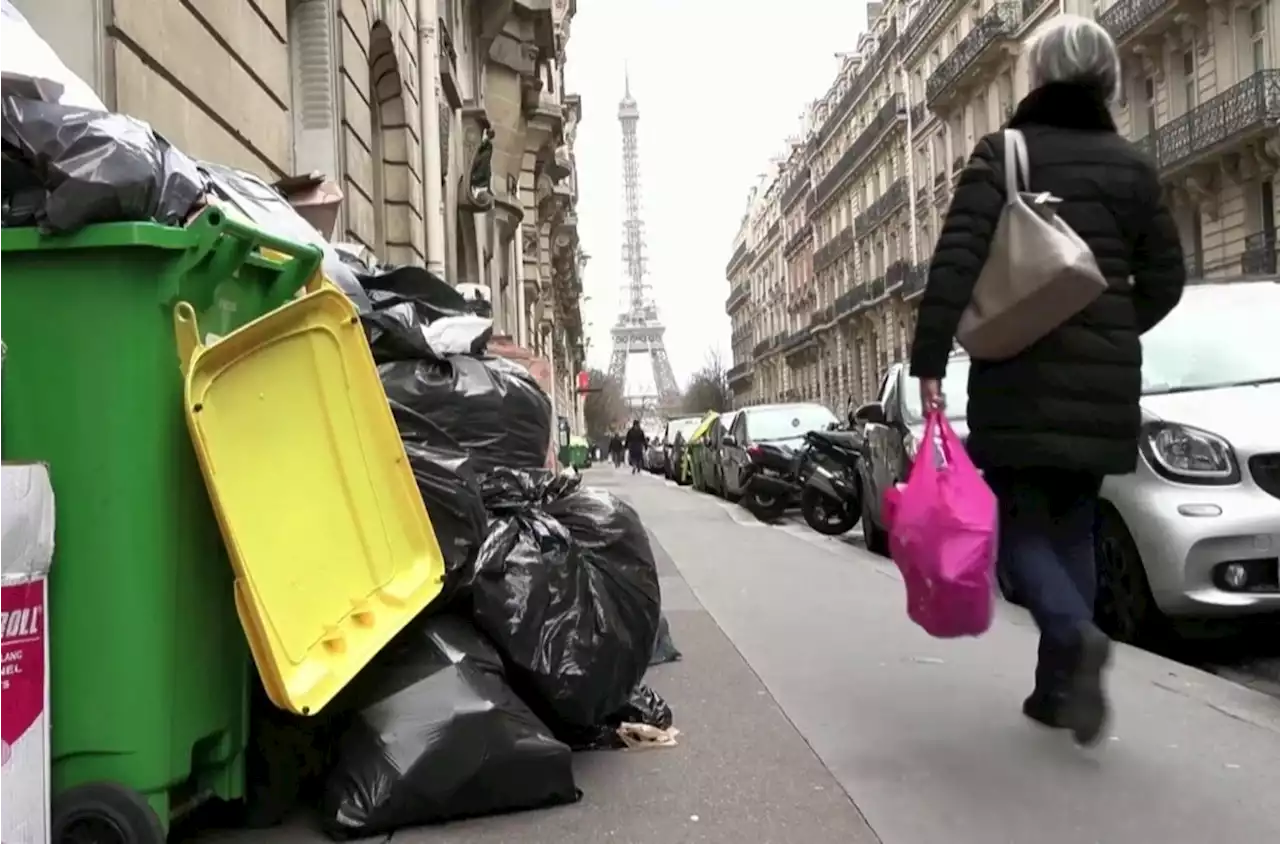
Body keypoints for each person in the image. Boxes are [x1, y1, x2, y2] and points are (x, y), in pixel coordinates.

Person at [907, 16, 1185, 746]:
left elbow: (957, 262)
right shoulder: (1133, 167)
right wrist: (1113, 329)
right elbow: (1166, 278)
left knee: (1022, 530)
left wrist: (930, 360)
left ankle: (1073, 635)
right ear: (1106, 78)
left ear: (1037, 75)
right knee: (1075, 531)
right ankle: (1056, 690)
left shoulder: (1005, 154)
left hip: (1018, 376)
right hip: (1105, 387)